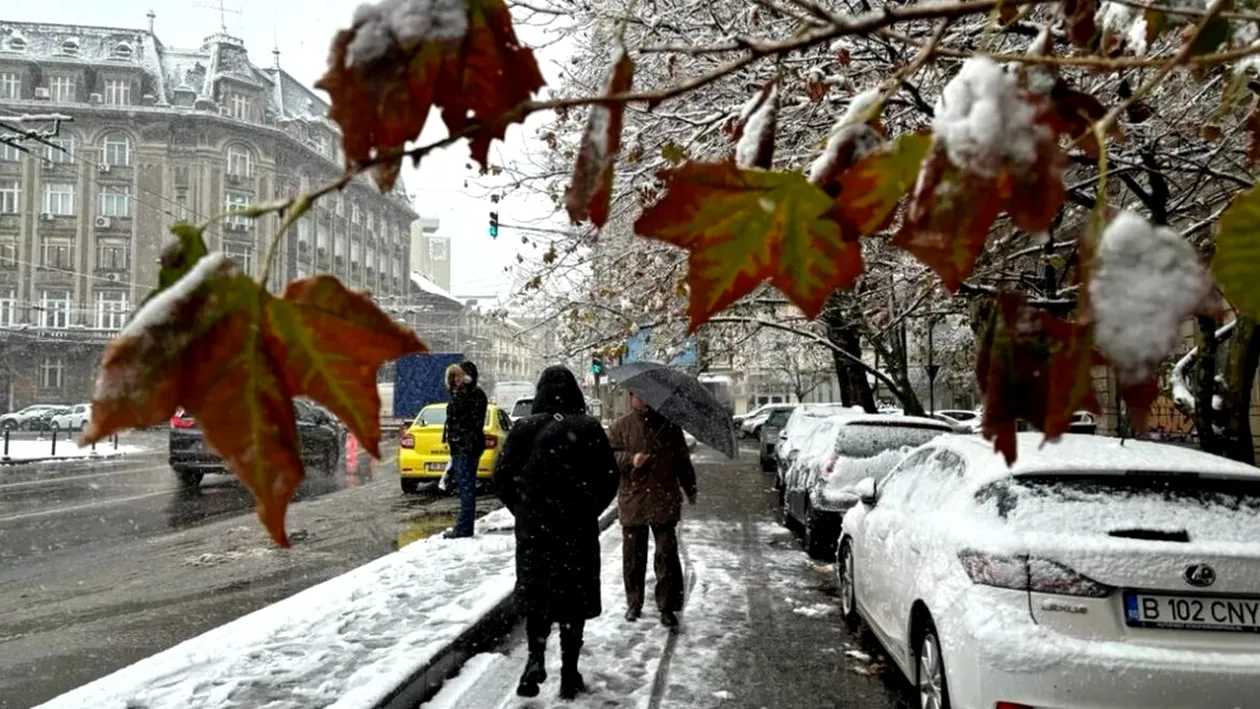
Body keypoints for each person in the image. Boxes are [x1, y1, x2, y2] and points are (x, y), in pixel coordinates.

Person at [494, 365, 619, 699]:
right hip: (575, 531)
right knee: (572, 602)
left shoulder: (524, 430)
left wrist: (524, 511)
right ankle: (568, 672)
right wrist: (587, 509)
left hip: (536, 531)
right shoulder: (589, 428)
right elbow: (609, 478)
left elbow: (502, 477)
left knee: (538, 597)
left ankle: (535, 658)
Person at [607, 392, 697, 629]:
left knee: (667, 555)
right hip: (633, 499)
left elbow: (682, 460)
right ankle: (634, 603)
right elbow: (608, 457)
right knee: (633, 557)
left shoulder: (669, 427)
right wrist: (630, 459)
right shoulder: (620, 426)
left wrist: (690, 488)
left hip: (663, 497)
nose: (643, 400)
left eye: (646, 396)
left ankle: (667, 607)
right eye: (637, 396)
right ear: (630, 398)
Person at [442, 360, 487, 539]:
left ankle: (464, 528)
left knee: (466, 488)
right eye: (453, 377)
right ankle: (464, 526)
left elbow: (470, 422)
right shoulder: (462, 395)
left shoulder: (473, 396)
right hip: (463, 446)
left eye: (459, 376)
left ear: (468, 378)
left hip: (466, 447)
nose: (456, 380)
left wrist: (460, 439)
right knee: (464, 487)